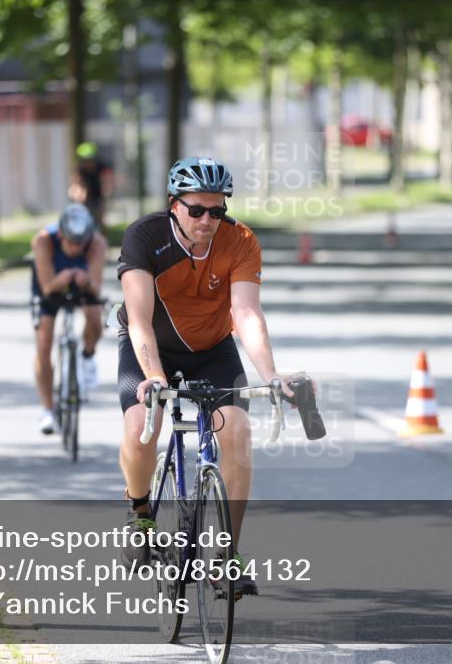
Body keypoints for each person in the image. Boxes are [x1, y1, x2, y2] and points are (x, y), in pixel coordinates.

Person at [115, 156, 297, 597]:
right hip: (151, 347)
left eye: (217, 211)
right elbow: (139, 319)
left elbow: (246, 312)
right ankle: (140, 512)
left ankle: (226, 555)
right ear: (174, 204)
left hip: (213, 348)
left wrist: (270, 373)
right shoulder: (145, 236)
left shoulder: (240, 241)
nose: (207, 220)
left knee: (236, 432)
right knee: (141, 426)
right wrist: (154, 375)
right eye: (196, 210)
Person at [31, 204, 109, 434]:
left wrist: (86, 282)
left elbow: (95, 288)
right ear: (60, 235)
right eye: (71, 242)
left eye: (80, 243)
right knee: (44, 341)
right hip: (50, 285)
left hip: (81, 284)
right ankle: (48, 409)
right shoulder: (43, 241)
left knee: (95, 315)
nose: (76, 248)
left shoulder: (97, 244)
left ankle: (88, 355)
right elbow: (47, 287)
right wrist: (62, 278)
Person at [69, 142, 114, 227]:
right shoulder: (79, 170)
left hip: (98, 196)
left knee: (100, 217)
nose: (88, 163)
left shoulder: (102, 168)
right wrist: (79, 196)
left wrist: (106, 193)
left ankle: (101, 229)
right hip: (85, 197)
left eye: (90, 160)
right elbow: (76, 186)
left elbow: (107, 185)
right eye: (85, 161)